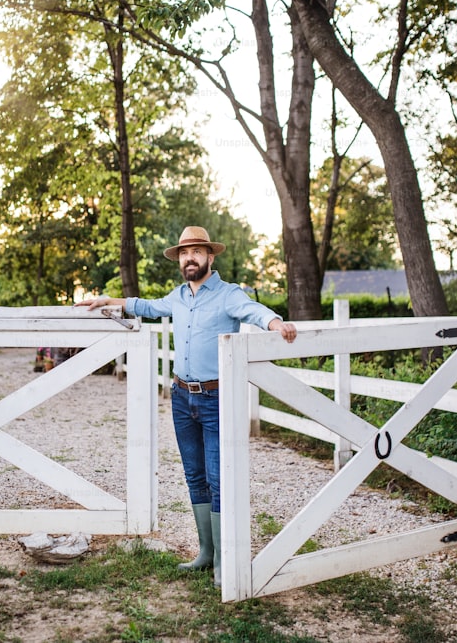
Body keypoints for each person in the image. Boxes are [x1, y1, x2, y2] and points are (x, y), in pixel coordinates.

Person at [77, 225, 297, 586]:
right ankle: (206, 553)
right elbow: (144, 306)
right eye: (183, 252)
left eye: (196, 251)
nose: (189, 258)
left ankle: (226, 562)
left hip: (216, 398)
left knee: (217, 477)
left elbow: (253, 310)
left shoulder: (228, 294)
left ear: (210, 256)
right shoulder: (177, 296)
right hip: (182, 397)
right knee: (194, 475)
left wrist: (275, 322)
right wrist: (107, 300)